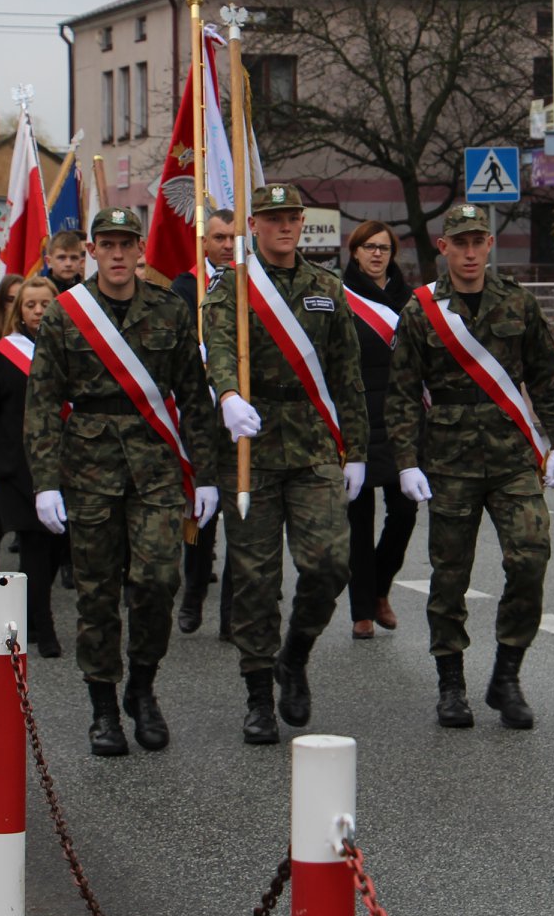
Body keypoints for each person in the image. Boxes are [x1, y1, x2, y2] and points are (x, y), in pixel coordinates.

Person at [24, 207, 218, 756]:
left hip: (156, 465)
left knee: (158, 581)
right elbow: (40, 404)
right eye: (105, 244)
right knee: (98, 594)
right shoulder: (66, 314)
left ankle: (143, 686)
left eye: (124, 244)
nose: (115, 254)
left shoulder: (170, 309)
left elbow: (193, 397)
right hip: (89, 468)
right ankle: (103, 708)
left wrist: (206, 475)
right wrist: (45, 483)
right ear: (92, 250)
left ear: (139, 250)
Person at [385, 203, 554, 730]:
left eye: (478, 242)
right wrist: (406, 461)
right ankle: (451, 684)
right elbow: (401, 395)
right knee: (450, 576)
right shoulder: (422, 311)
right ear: (444, 248)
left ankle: (507, 675)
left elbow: (543, 376)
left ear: (490, 246)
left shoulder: (517, 301)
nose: (470, 253)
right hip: (448, 460)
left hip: (512, 454)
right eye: (459, 243)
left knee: (531, 556)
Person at [205, 183, 367, 745]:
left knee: (329, 564)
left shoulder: (327, 287)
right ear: (254, 225)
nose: (282, 227)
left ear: (301, 224)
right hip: (250, 442)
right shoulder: (232, 288)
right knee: (254, 577)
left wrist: (359, 450)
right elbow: (220, 348)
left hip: (315, 441)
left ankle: (294, 655)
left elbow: (347, 372)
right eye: (271, 219)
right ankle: (257, 694)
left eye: (290, 218)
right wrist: (228, 396)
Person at [0, 275, 63, 655]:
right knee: (32, 545)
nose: (39, 311)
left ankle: (32, 616)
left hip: (62, 465)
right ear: (18, 311)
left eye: (45, 304)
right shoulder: (3, 355)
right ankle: (41, 626)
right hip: (14, 467)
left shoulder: (70, 348)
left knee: (55, 549)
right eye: (30, 305)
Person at [340, 220, 416, 639]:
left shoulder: (410, 300)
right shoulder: (339, 297)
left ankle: (381, 588)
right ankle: (361, 611)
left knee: (405, 511)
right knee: (359, 516)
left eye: (384, 248)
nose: (376, 254)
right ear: (354, 252)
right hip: (356, 414)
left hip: (402, 416)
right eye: (368, 247)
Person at [170, 208, 235, 637]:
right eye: (219, 238)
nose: (228, 245)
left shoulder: (252, 283)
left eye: (233, 237)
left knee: (246, 521)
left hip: (242, 415)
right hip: (200, 411)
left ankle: (232, 614)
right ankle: (193, 592)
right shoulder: (185, 286)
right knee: (202, 514)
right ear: (204, 242)